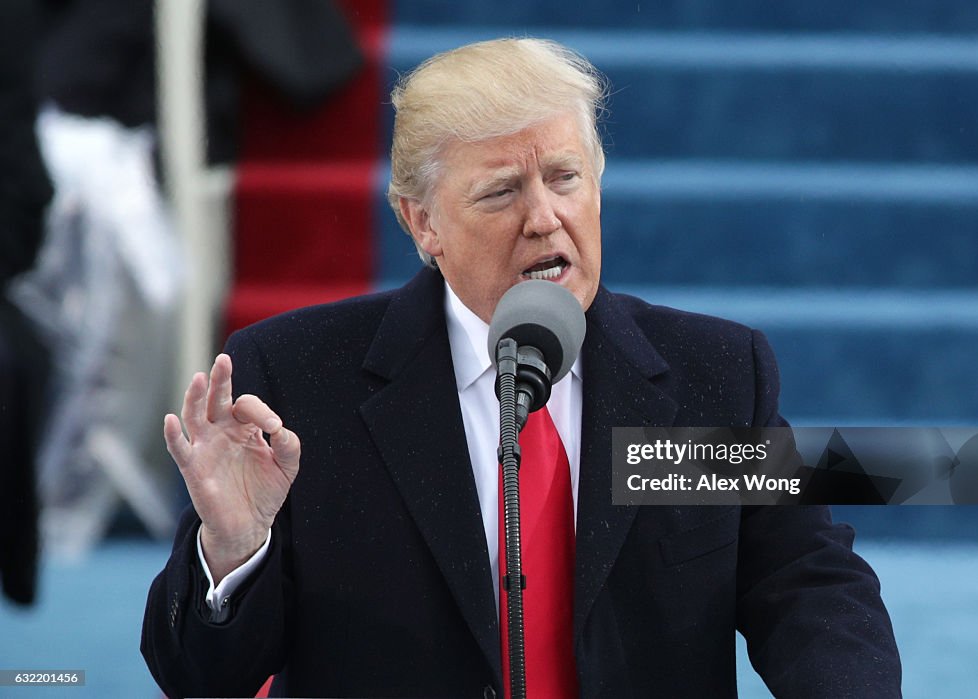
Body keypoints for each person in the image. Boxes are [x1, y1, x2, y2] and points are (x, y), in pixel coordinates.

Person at [142, 38, 901, 698]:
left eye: (565, 178)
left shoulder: (712, 373)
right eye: (501, 191)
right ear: (422, 221)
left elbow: (804, 585)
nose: (544, 217)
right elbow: (198, 675)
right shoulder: (298, 379)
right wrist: (235, 553)